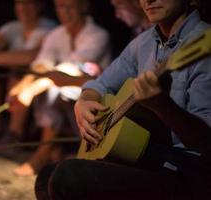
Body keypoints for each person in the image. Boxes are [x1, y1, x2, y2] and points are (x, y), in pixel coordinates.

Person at [35, 0, 211, 199]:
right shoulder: (145, 42)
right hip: (150, 157)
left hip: (188, 173)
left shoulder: (203, 41)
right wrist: (83, 101)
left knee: (67, 177)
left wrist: (162, 106)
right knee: (46, 178)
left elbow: (205, 142)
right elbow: (100, 85)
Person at [11, 0, 111, 176]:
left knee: (54, 88)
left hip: (95, 97)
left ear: (84, 6)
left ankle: (43, 153)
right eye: (60, 6)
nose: (65, 12)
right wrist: (21, 87)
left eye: (71, 6)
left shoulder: (97, 34)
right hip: (66, 100)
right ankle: (52, 149)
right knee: (47, 87)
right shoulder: (56, 34)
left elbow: (68, 70)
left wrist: (30, 91)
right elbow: (41, 65)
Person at [0, 0, 56, 138]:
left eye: (28, 3)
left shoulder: (49, 29)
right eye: (19, 3)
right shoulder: (12, 28)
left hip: (40, 78)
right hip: (13, 75)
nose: (23, 8)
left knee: (19, 76)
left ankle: (15, 133)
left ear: (39, 5)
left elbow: (34, 57)